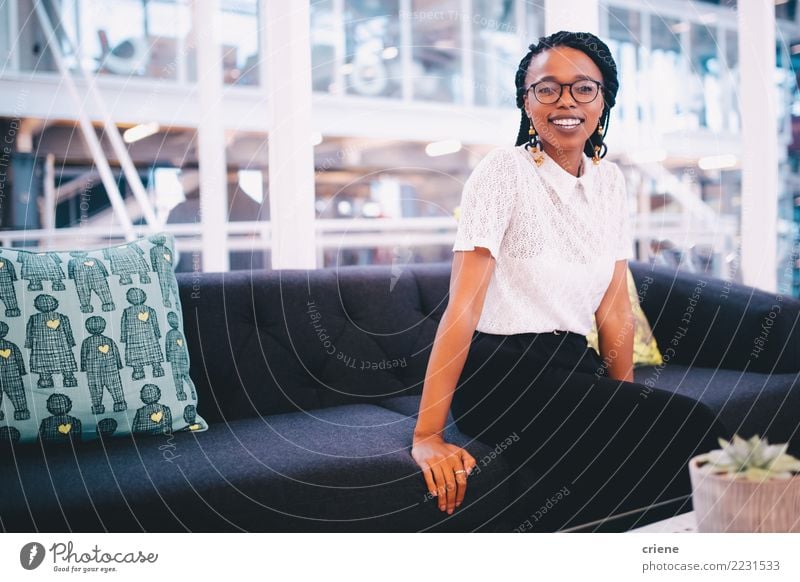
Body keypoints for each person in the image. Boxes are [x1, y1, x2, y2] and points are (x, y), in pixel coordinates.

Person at [410, 31, 726, 528]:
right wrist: (427, 434)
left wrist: (626, 401)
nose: (565, 102)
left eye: (583, 88)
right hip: (501, 374)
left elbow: (614, 306)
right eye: (547, 88)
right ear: (526, 100)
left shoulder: (610, 182)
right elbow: (463, 308)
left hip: (573, 364)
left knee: (642, 448)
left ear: (604, 100)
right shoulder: (502, 172)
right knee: (693, 425)